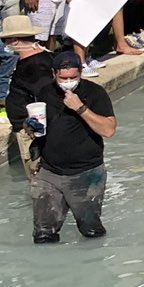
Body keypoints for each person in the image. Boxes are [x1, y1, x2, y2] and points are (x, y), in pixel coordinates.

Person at [30, 50, 115, 244]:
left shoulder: (95, 93)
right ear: (54, 74)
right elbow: (40, 125)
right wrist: (31, 127)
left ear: (80, 74)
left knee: (90, 231)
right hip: (49, 173)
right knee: (43, 235)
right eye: (63, 78)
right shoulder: (45, 92)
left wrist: (80, 108)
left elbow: (109, 130)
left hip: (85, 174)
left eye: (73, 77)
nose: (68, 81)